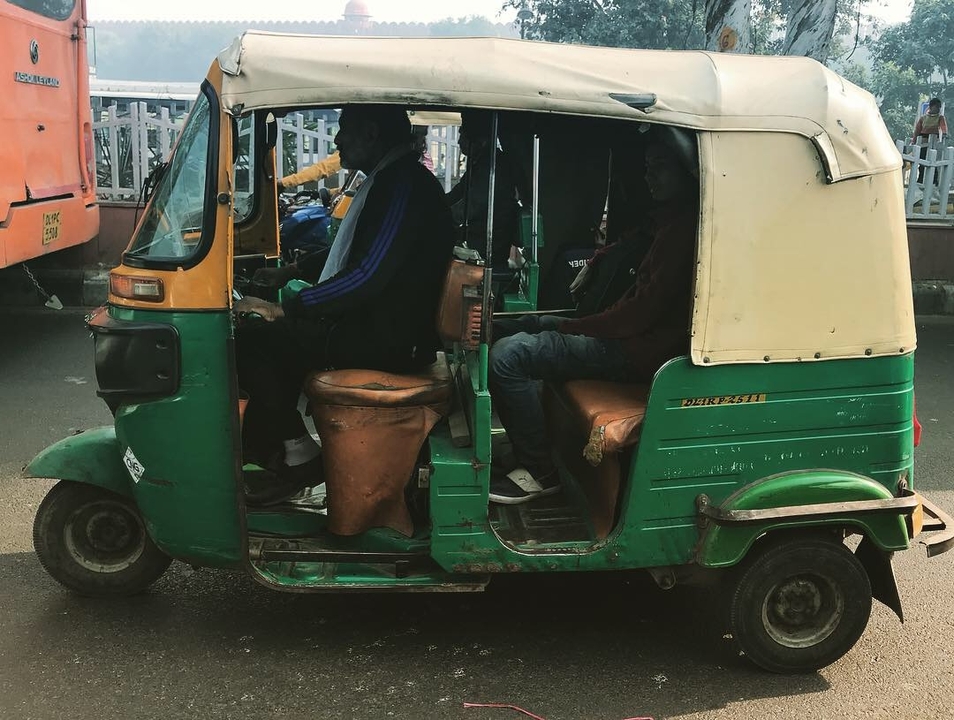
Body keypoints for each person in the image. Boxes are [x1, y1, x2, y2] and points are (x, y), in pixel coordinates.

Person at [234, 104, 455, 503]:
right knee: (272, 339)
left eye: (344, 130)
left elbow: (366, 275)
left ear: (371, 134)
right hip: (382, 325)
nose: (337, 140)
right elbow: (357, 250)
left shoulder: (402, 186)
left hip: (388, 339)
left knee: (250, 342)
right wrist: (291, 271)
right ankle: (285, 452)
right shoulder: (390, 179)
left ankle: (297, 456)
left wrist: (285, 308)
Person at [487, 128, 699, 504]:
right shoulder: (662, 222)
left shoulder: (682, 232)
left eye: (660, 166)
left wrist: (575, 326)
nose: (649, 176)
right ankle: (527, 443)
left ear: (686, 171)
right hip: (625, 336)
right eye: (647, 167)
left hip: (636, 352)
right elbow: (628, 251)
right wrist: (597, 262)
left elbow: (637, 315)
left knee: (508, 355)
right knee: (516, 325)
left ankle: (539, 469)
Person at [446, 111, 521, 268]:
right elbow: (459, 192)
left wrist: (441, 216)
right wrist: (437, 204)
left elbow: (472, 206)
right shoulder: (479, 162)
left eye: (463, 136)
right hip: (479, 234)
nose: (459, 141)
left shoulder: (493, 166)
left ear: (480, 141)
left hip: (489, 243)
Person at [912, 98, 948, 183]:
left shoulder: (940, 117)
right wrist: (914, 140)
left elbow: (943, 127)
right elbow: (917, 130)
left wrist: (944, 133)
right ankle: (920, 179)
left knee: (933, 160)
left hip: (933, 142)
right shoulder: (923, 118)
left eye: (939, 107)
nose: (938, 109)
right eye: (936, 107)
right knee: (922, 161)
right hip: (923, 141)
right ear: (931, 107)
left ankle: (934, 181)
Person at [277, 151, 341, 193]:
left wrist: (284, 182)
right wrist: (332, 192)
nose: (337, 140)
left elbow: (321, 170)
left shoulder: (345, 152)